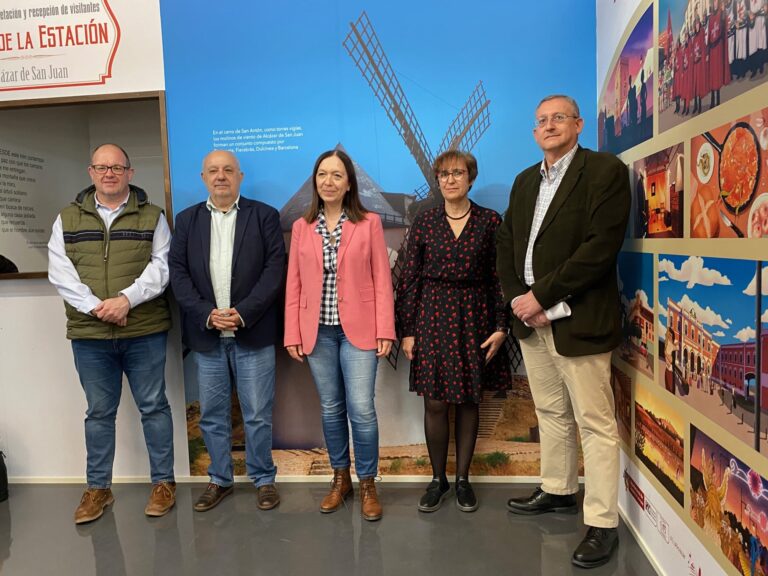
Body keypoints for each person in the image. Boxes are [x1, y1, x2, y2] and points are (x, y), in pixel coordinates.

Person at [496, 95, 630, 569]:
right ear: (534, 134)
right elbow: (507, 241)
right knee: (551, 411)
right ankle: (558, 490)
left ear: (578, 125)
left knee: (594, 421)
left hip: (578, 316)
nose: (549, 126)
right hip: (531, 320)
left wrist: (541, 296)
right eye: (541, 121)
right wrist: (518, 299)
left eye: (559, 118)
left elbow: (600, 248)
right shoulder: (523, 181)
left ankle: (601, 522)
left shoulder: (604, 172)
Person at [48, 143, 175, 524]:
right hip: (90, 335)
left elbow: (161, 267)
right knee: (99, 413)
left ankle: (163, 484)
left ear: (130, 174)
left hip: (144, 330)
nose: (109, 173)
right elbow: (61, 271)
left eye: (117, 167)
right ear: (91, 172)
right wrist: (97, 308)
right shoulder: (67, 219)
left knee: (154, 407)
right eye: (102, 167)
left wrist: (125, 300)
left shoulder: (152, 216)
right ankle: (98, 489)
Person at [169, 150, 285, 512]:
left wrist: (243, 313)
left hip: (252, 333)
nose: (221, 176)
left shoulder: (264, 216)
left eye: (228, 170)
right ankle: (219, 479)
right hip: (207, 338)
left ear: (240, 176)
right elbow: (178, 274)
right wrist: (207, 314)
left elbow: (274, 270)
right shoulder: (187, 221)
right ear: (203, 177)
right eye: (214, 171)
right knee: (213, 415)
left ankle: (263, 480)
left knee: (256, 413)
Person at [396, 150, 510, 513]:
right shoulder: (425, 222)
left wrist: (501, 326)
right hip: (432, 316)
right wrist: (408, 330)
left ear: (470, 178)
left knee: (468, 401)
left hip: (475, 317)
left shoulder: (491, 221)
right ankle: (437, 479)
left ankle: (462, 479)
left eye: (457, 173)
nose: (449, 179)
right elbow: (410, 280)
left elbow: (499, 280)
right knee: (434, 403)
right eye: (443, 174)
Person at [284, 149, 395, 522]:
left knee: (361, 409)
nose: (328, 181)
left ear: (349, 183)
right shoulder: (302, 227)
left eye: (336, 175)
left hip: (359, 330)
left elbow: (383, 279)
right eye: (322, 175)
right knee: (331, 408)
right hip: (317, 331)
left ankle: (367, 483)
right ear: (315, 181)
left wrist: (385, 329)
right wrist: (292, 333)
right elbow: (294, 285)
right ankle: (340, 478)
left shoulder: (369, 224)